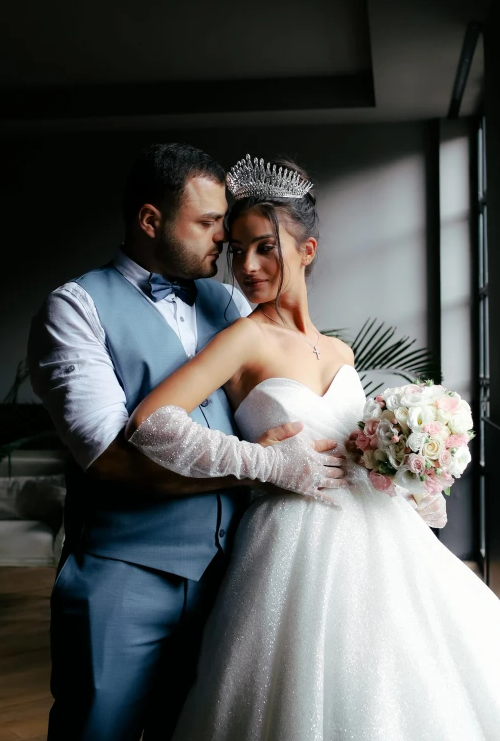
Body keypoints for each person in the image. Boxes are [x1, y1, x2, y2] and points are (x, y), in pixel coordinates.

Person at [125, 154, 500, 741]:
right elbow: (151, 422)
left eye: (264, 248)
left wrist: (409, 471)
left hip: (386, 546)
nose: (246, 266)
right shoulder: (245, 337)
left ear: (308, 251)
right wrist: (264, 463)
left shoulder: (341, 353)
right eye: (237, 251)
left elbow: (362, 458)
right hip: (292, 548)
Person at [27, 143, 347, 741]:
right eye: (206, 224)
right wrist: (263, 467)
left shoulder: (229, 304)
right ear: (150, 221)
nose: (223, 241)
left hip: (235, 576)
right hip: (124, 574)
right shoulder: (76, 310)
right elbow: (110, 461)